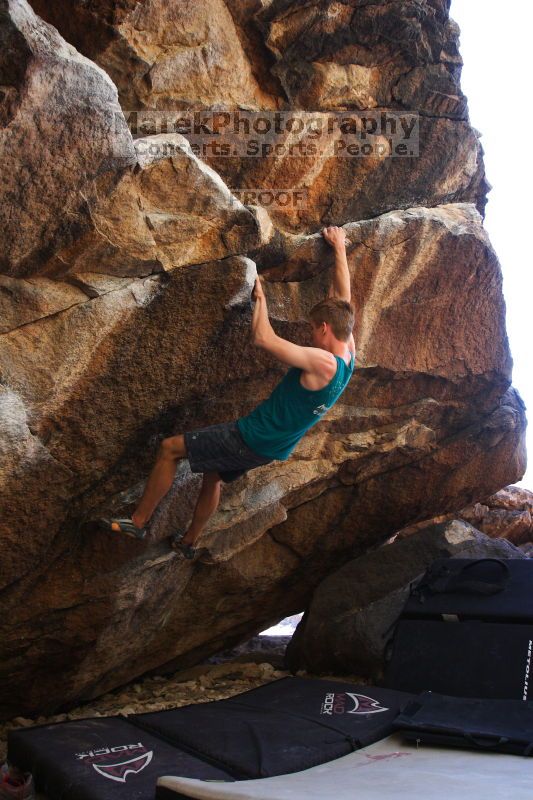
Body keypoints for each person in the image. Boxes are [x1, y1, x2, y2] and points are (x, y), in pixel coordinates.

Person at [99, 225, 356, 559]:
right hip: (272, 447)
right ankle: (189, 542)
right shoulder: (348, 352)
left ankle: (138, 520)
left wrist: (260, 299)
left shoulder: (324, 362)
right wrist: (338, 247)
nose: (311, 335)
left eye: (313, 330)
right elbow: (343, 297)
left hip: (251, 438)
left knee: (170, 449)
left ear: (324, 328)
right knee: (213, 477)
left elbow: (264, 339)